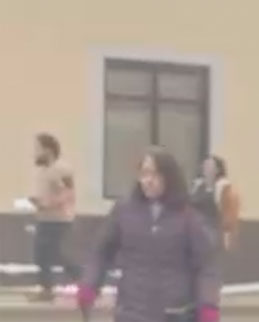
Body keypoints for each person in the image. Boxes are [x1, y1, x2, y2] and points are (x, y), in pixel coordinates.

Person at [77, 146, 221, 322]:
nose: (148, 180)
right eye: (144, 174)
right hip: (132, 312)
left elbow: (206, 265)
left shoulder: (189, 218)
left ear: (169, 177)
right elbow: (100, 252)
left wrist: (208, 305)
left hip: (175, 313)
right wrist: (89, 285)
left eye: (156, 174)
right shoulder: (124, 212)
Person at [27, 133, 80, 302]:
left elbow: (69, 193)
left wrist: (49, 204)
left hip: (58, 220)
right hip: (44, 219)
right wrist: (37, 202)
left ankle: (85, 280)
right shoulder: (43, 171)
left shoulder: (61, 169)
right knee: (45, 254)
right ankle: (48, 289)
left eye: (38, 149)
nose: (35, 153)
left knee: (51, 254)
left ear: (48, 150)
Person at [190, 155, 240, 250]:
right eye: (205, 165)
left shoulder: (223, 187)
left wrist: (227, 234)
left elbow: (228, 212)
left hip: (212, 228)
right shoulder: (197, 185)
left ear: (217, 170)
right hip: (194, 227)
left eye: (209, 166)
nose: (205, 168)